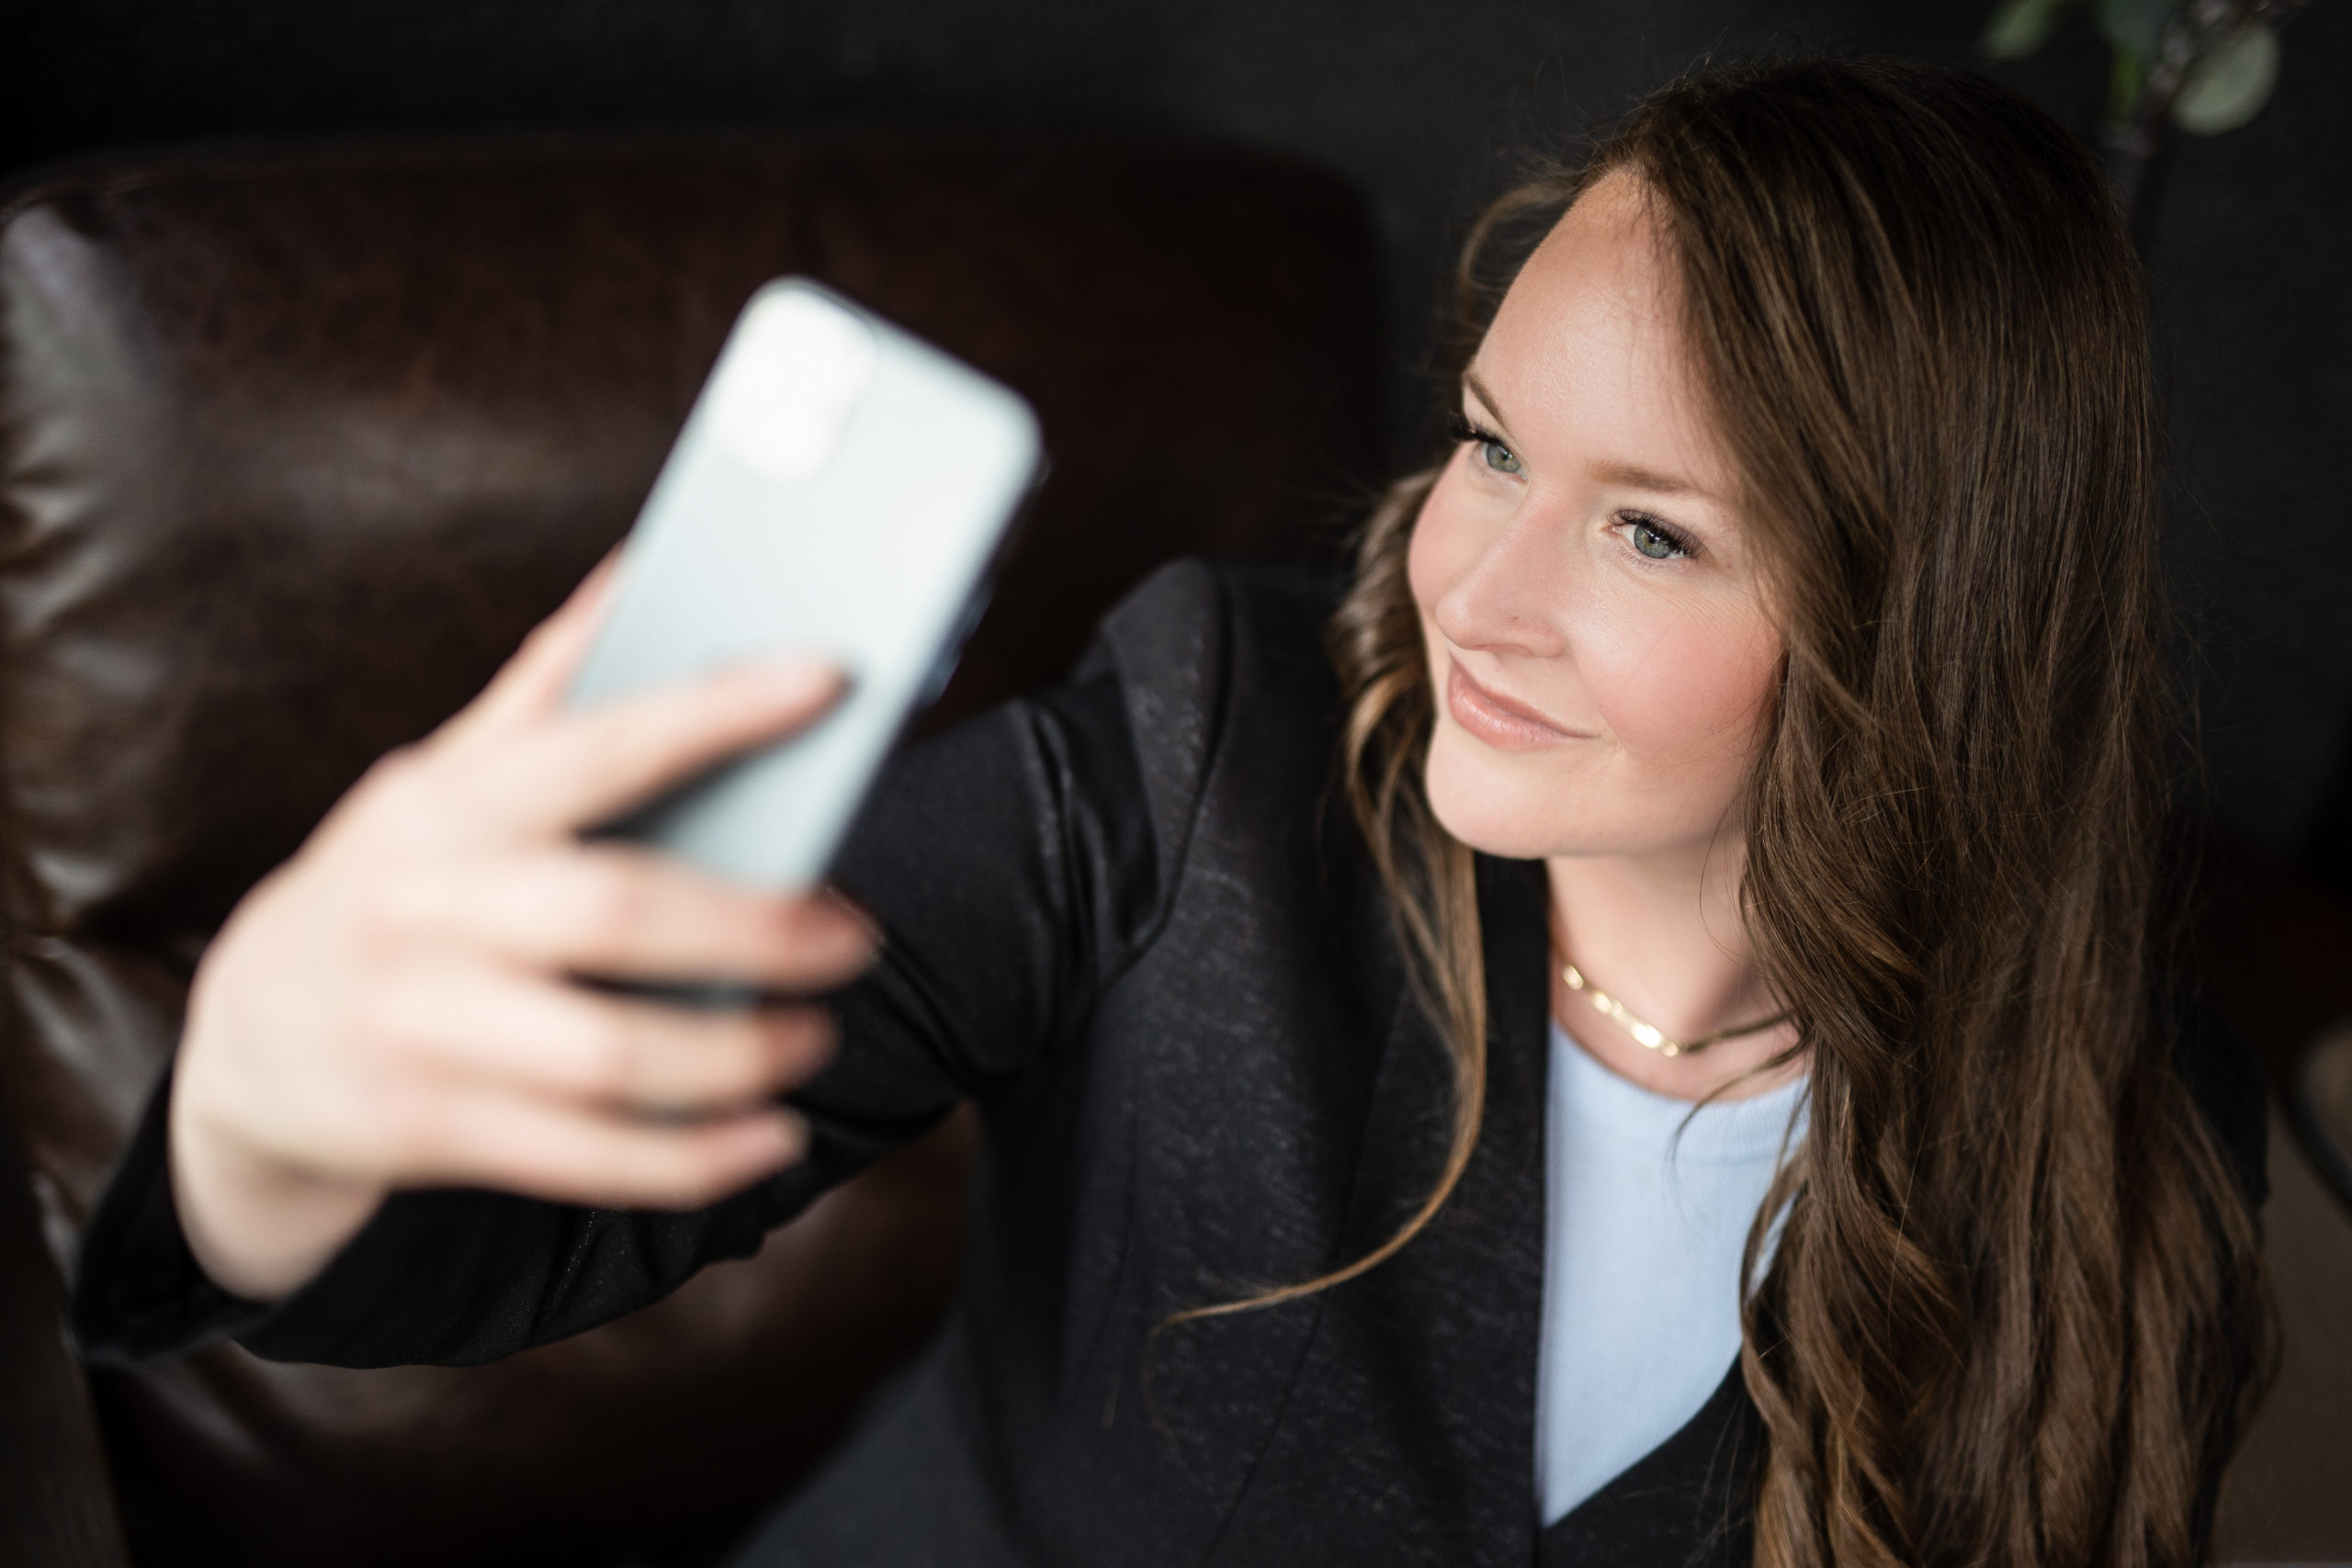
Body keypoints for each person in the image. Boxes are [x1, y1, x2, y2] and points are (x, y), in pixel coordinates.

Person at [73, 56, 2272, 1568]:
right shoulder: (1200, 752)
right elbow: (502, 1236)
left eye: (1651, 535)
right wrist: (268, 1106)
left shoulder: (2132, 1128)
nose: (1470, 590)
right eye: (1494, 445)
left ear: (1931, 634)